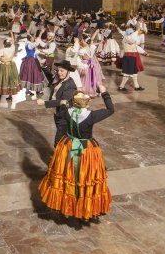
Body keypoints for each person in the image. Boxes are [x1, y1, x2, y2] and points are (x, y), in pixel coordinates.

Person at [38, 84, 112, 224]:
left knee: (68, 174)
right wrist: (104, 92)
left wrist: (56, 103)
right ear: (87, 103)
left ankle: (66, 207)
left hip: (68, 146)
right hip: (86, 150)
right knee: (85, 176)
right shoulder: (92, 116)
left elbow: (60, 107)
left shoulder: (67, 111)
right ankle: (84, 208)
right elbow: (110, 109)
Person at [37, 60, 78, 146]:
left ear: (68, 72)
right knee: (62, 139)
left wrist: (45, 103)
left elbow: (63, 101)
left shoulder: (70, 85)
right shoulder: (58, 79)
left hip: (65, 116)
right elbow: (50, 77)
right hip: (58, 114)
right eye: (58, 70)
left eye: (62, 71)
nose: (59, 73)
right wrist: (44, 66)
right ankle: (62, 156)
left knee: (59, 141)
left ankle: (61, 157)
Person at [0, 32, 19, 100]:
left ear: (4, 44)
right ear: (10, 44)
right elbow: (13, 41)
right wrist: (12, 34)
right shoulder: (12, 48)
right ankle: (10, 96)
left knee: (1, 79)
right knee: (10, 80)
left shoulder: (1, 50)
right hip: (11, 66)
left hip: (3, 67)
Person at [117, 28, 147, 92]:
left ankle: (137, 86)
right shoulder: (126, 39)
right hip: (129, 58)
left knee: (134, 72)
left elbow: (136, 47)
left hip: (133, 58)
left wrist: (144, 52)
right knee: (127, 73)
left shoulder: (131, 39)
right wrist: (137, 31)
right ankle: (121, 87)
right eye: (132, 33)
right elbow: (132, 39)